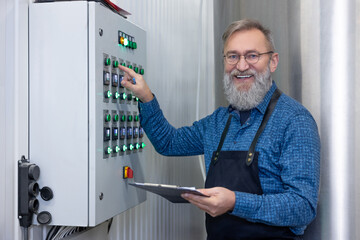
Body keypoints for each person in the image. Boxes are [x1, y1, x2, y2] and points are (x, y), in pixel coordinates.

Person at [119, 19, 320, 240]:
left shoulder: (295, 120)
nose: (241, 66)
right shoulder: (218, 122)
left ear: (273, 62)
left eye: (252, 55)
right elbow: (169, 142)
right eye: (233, 56)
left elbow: (303, 207)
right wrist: (146, 97)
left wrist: (234, 202)